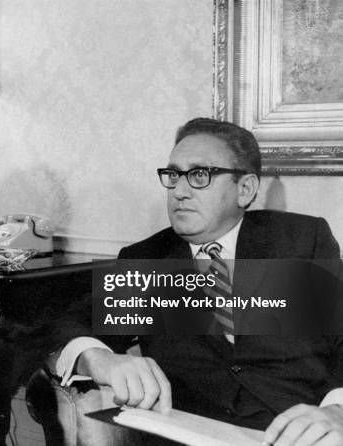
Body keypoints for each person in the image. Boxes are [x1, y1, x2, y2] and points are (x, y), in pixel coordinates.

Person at [33, 118, 343, 446]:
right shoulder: (149, 259)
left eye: (199, 175)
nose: (179, 192)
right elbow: (69, 324)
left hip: (296, 435)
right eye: (173, 176)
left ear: (245, 189)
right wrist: (99, 358)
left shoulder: (300, 241)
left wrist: (337, 409)